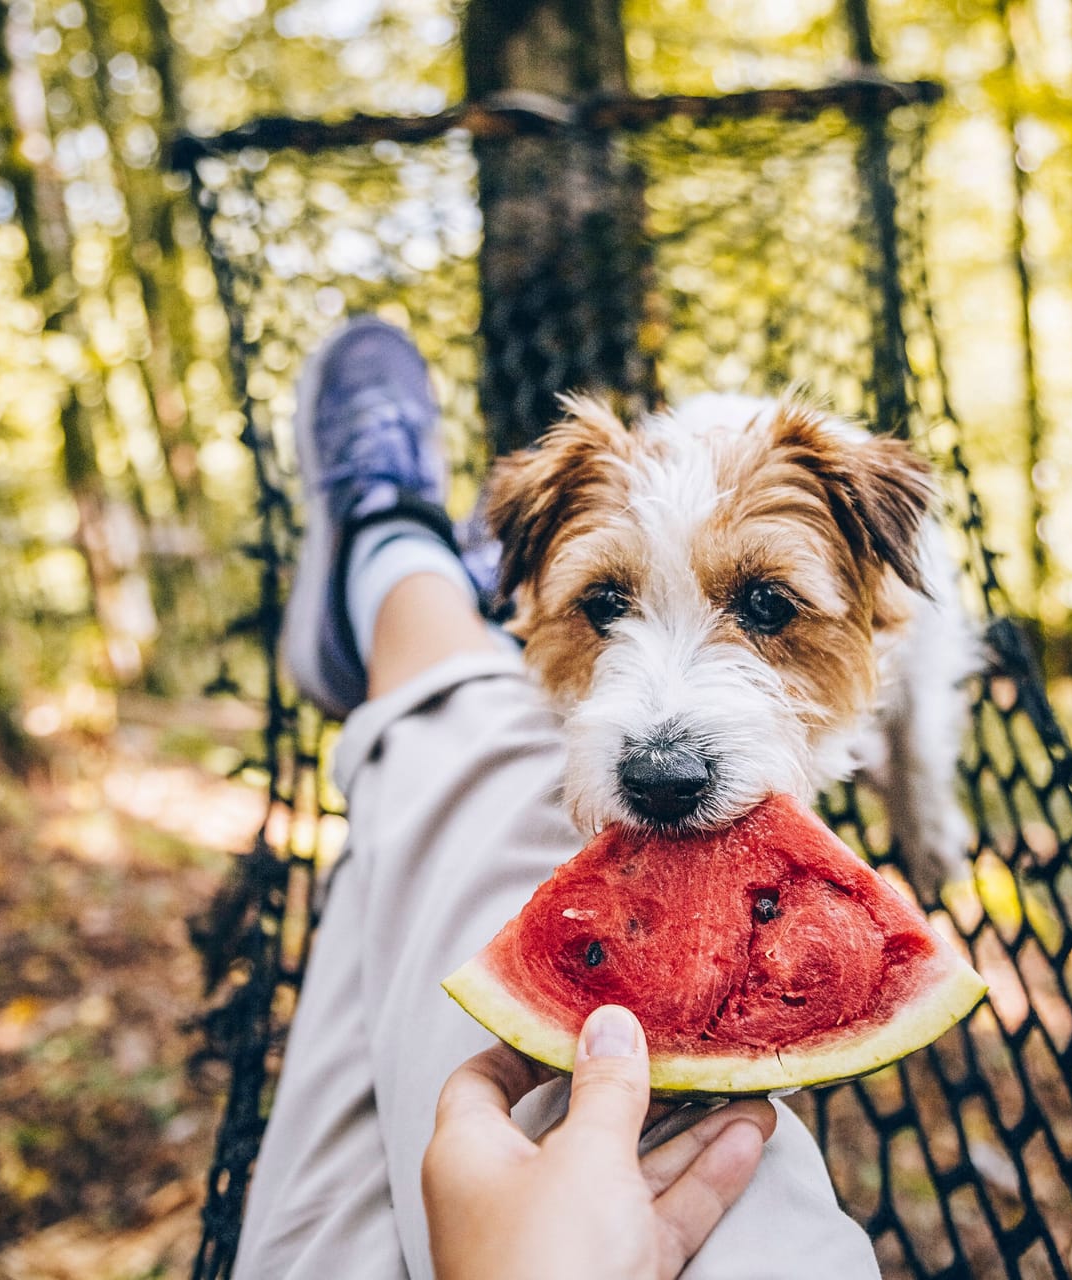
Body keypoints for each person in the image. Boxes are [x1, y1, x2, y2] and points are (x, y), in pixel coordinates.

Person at [232, 317, 879, 1279]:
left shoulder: (859, 512)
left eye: (766, 608)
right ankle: (399, 588)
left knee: (452, 805)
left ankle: (393, 569)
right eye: (607, 607)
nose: (664, 722)